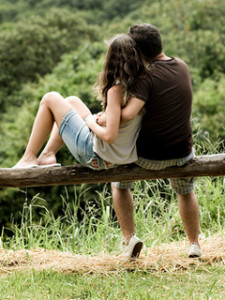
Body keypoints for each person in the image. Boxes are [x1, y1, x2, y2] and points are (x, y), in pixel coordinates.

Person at [110, 24, 202, 259]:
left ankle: (130, 240)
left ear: (137, 52)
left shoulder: (146, 76)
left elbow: (128, 114)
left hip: (148, 158)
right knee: (186, 191)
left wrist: (103, 117)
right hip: (182, 153)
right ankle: (194, 245)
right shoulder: (182, 66)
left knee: (118, 184)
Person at [12, 34, 145, 174]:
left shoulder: (115, 91)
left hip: (96, 155)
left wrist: (91, 122)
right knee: (71, 101)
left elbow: (110, 137)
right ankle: (47, 155)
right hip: (116, 155)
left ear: (111, 60)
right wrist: (105, 117)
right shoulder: (141, 87)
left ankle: (29, 158)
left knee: (50, 98)